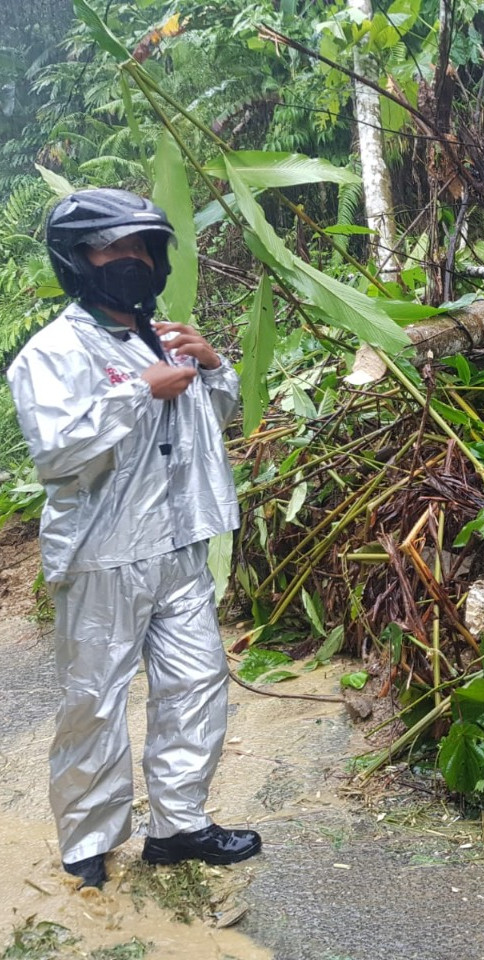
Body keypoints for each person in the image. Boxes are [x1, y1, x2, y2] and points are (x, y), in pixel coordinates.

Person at [7, 188, 261, 889]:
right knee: (95, 699)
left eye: (143, 247)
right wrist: (138, 391)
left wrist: (211, 365)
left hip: (178, 546)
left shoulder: (161, 334)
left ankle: (179, 827)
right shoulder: (52, 351)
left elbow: (216, 418)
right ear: (77, 260)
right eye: (113, 248)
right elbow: (56, 453)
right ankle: (89, 843)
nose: (133, 260)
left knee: (196, 684)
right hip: (101, 555)